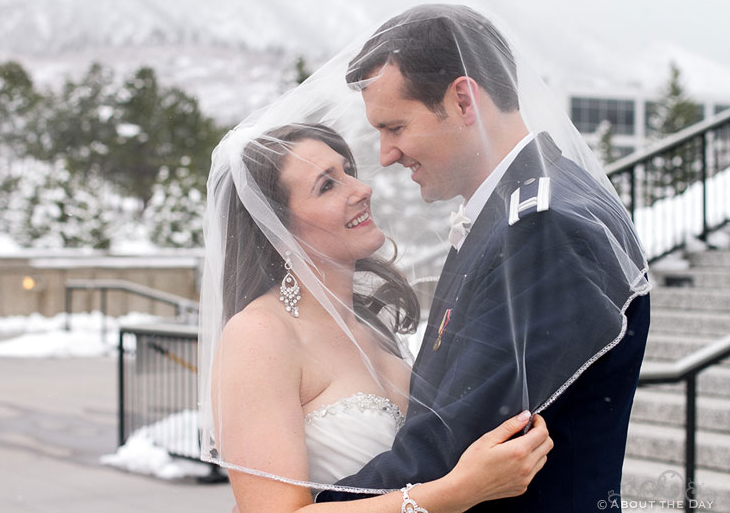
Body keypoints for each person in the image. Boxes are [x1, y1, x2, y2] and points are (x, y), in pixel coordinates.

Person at [313, 5, 651, 511]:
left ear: (464, 100)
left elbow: (454, 443)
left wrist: (308, 506)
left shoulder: (543, 227)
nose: (385, 154)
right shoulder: (531, 205)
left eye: (395, 127)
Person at [201, 122, 553, 512]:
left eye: (348, 171)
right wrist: (461, 489)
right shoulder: (260, 335)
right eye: (327, 184)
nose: (361, 189)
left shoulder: (370, 326)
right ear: (277, 229)